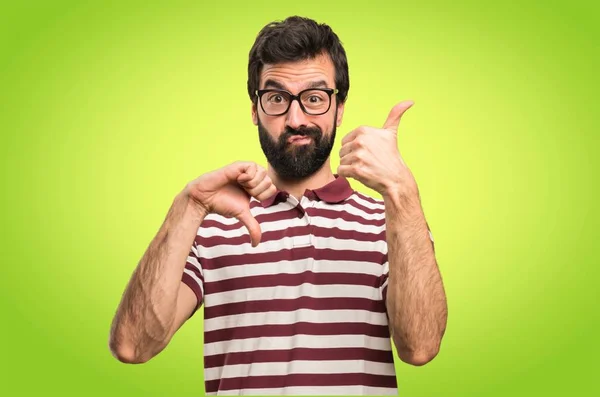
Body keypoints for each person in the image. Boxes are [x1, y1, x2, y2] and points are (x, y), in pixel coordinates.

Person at [109, 16, 448, 396]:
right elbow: (132, 346)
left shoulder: (391, 224)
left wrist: (401, 191)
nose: (296, 119)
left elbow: (420, 348)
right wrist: (187, 206)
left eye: (315, 99)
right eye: (276, 99)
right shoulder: (210, 226)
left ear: (340, 109)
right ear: (255, 109)